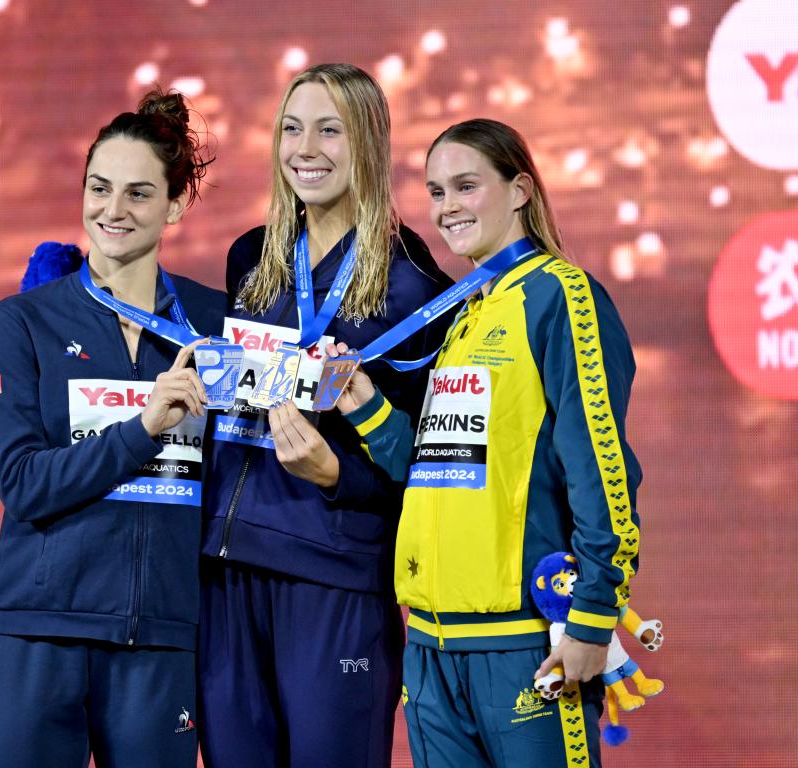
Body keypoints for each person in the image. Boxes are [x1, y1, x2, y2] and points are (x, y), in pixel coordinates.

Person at [335, 118, 642, 768]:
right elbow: (434, 469)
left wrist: (591, 615)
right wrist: (361, 402)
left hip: (523, 643)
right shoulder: (467, 315)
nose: (447, 208)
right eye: (437, 192)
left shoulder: (560, 295)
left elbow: (602, 467)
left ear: (521, 188)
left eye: (466, 186)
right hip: (432, 649)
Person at [197, 63, 454, 767]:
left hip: (334, 579)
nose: (305, 147)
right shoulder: (252, 259)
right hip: (228, 574)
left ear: (368, 142)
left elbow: (427, 472)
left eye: (329, 129)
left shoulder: (413, 287)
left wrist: (337, 474)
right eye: (291, 128)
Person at [0, 90, 225, 768]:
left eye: (139, 194)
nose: (112, 211)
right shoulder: (23, 321)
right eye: (99, 188)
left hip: (160, 643)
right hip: (38, 633)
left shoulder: (216, 326)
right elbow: (23, 482)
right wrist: (142, 428)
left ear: (175, 206)